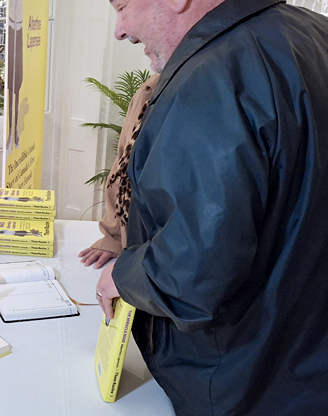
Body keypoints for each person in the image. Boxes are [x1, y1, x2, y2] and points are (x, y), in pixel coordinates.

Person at [95, 0, 328, 414]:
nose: (121, 29)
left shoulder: (213, 77)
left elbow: (195, 271)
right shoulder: (315, 33)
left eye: (123, 5)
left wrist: (124, 275)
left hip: (240, 381)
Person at [78, 73, 159, 269]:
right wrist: (114, 237)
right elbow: (122, 167)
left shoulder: (211, 91)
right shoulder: (150, 90)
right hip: (140, 262)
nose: (121, 39)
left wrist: (143, 275)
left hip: (168, 271)